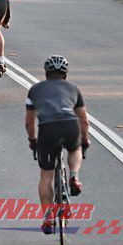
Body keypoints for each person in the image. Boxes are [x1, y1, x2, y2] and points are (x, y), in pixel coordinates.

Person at [25, 55, 90, 234]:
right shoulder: (74, 89)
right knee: (75, 148)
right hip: (70, 126)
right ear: (65, 74)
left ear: (46, 74)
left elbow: (29, 122)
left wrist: (33, 141)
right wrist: (85, 140)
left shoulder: (34, 90)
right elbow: (83, 120)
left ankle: (48, 218)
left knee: (46, 175)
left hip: (47, 128)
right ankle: (74, 176)